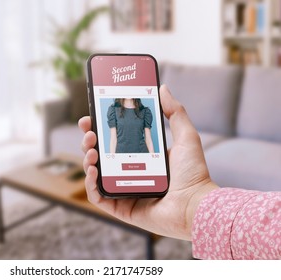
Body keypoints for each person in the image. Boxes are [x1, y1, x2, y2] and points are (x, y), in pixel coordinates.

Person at [79, 85, 280, 260]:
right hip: (121, 157)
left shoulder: (146, 111)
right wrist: (111, 159)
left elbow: (149, 139)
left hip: (142, 154)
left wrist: (152, 160)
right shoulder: (113, 111)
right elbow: (112, 137)